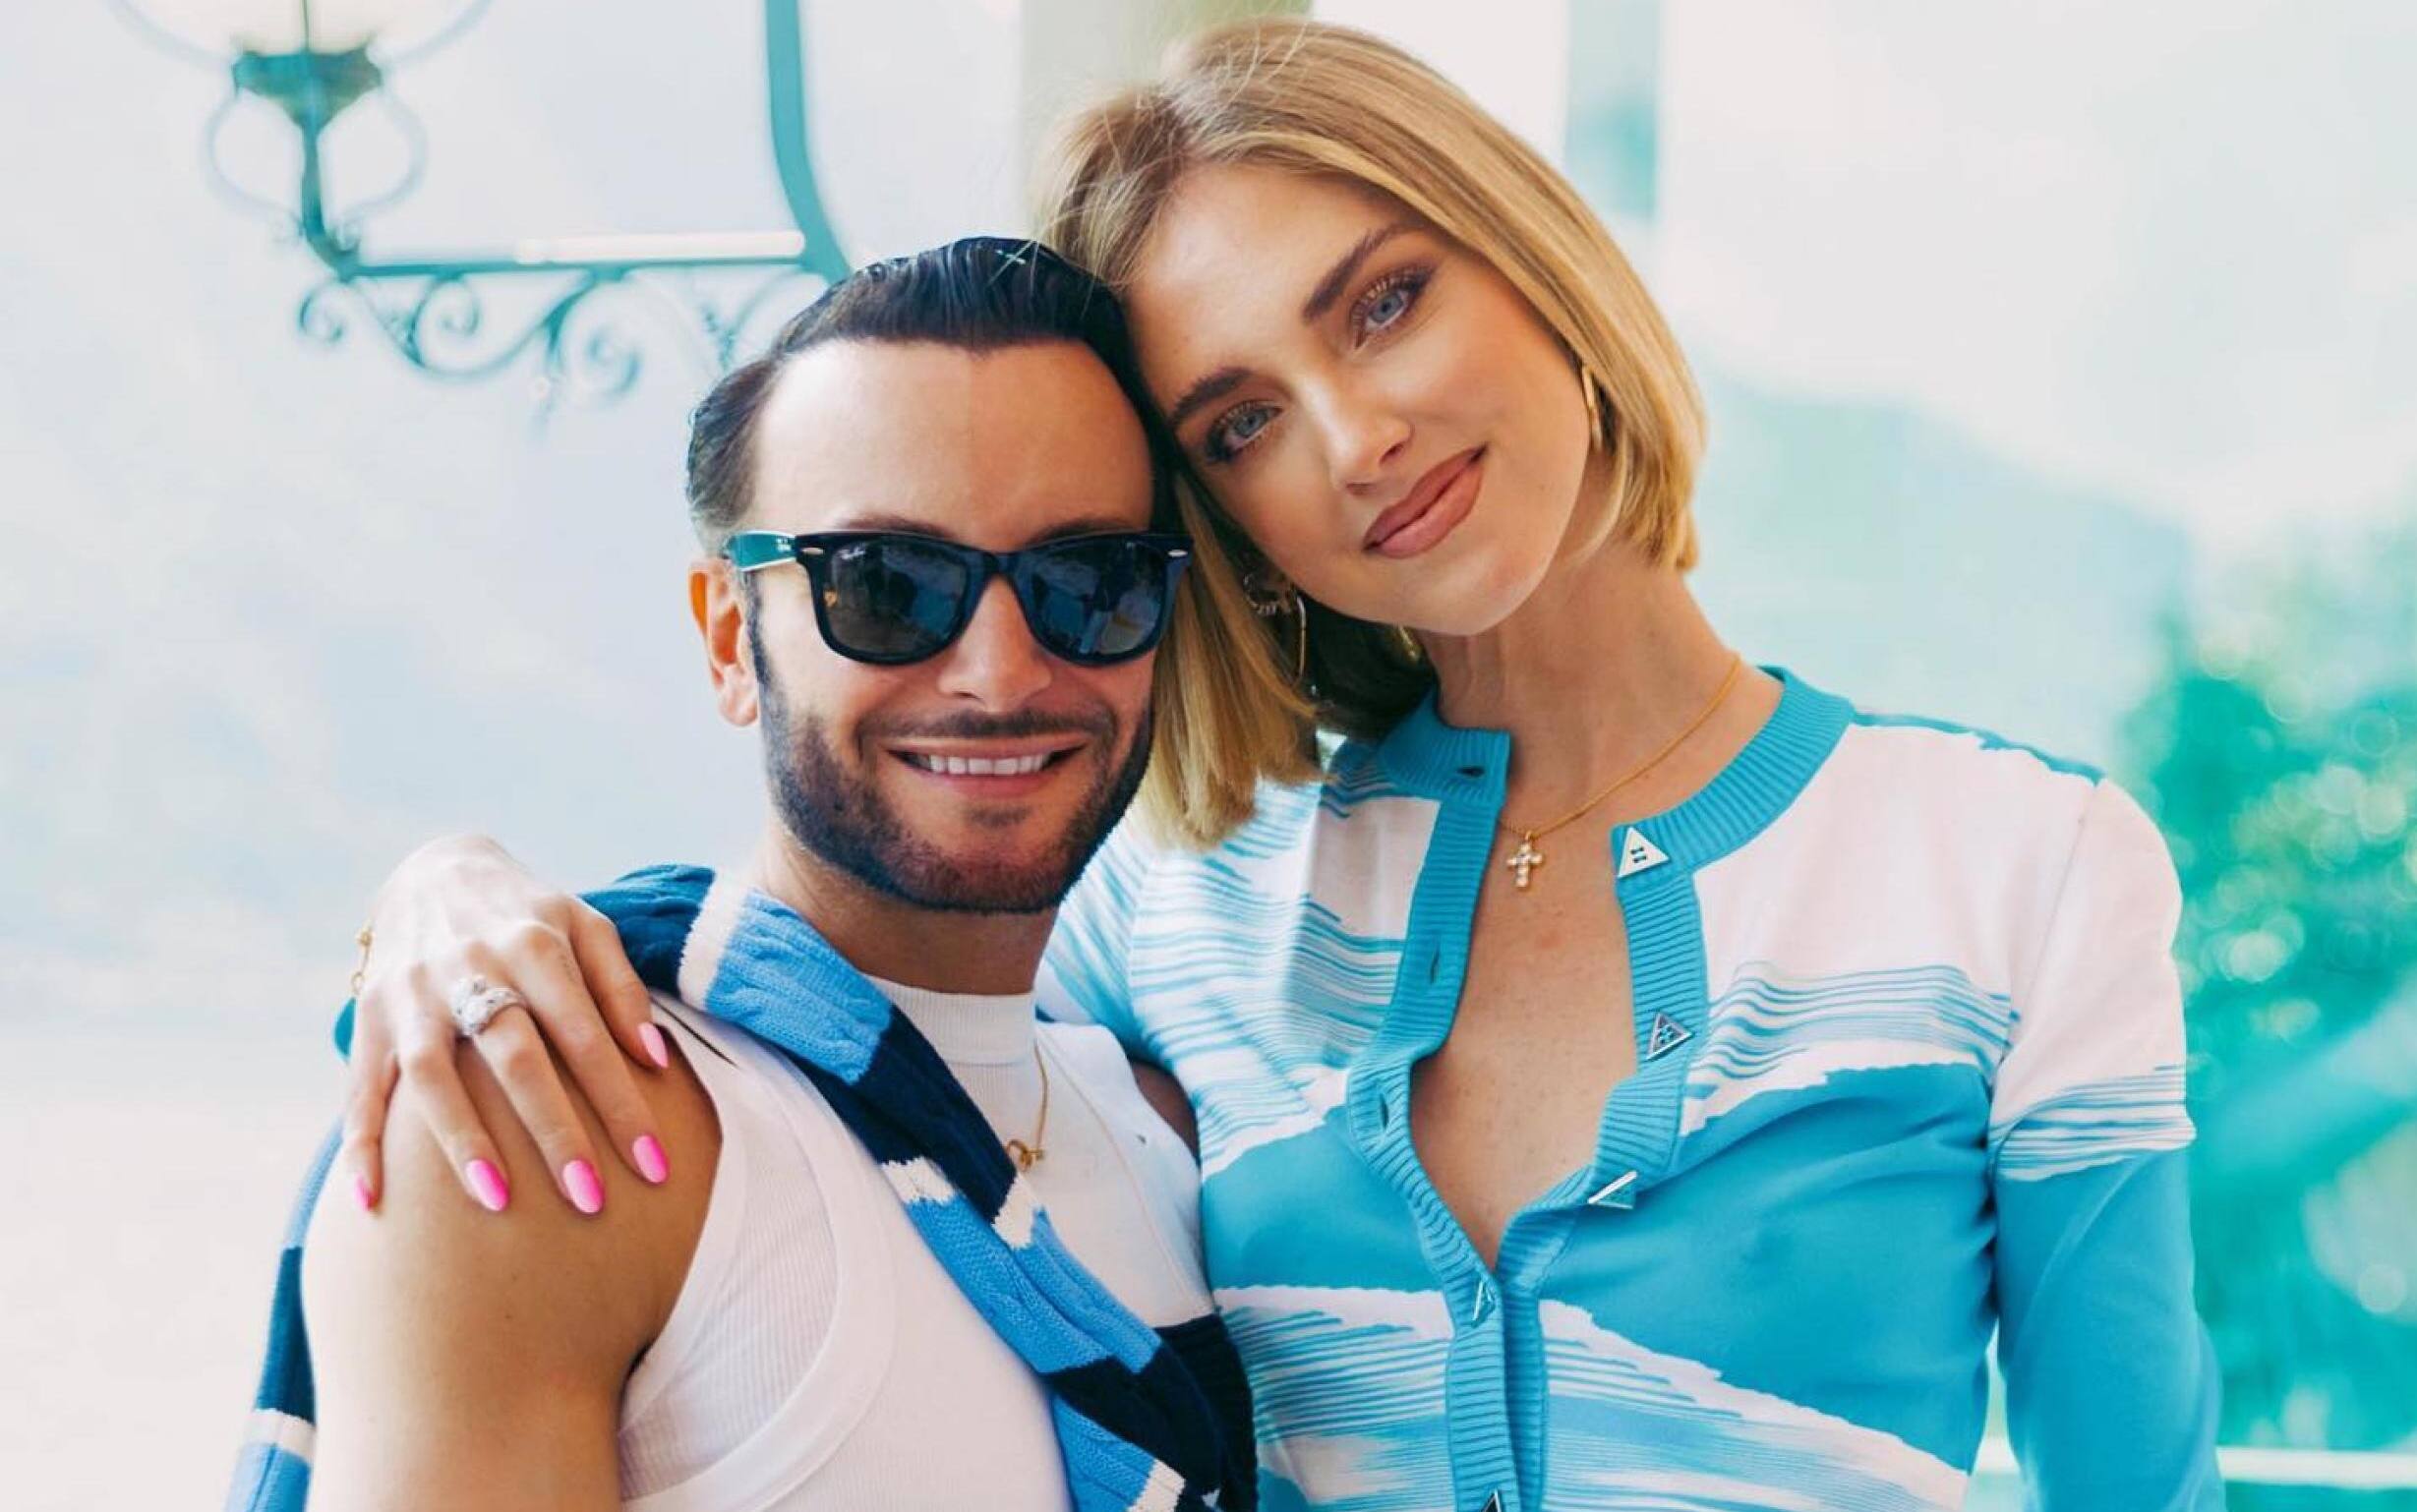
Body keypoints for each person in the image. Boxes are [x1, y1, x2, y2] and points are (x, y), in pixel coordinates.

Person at [313, 20, 2224, 1512]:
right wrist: (444, 893)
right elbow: (842, 1032)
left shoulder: (2023, 868)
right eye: (1237, 423)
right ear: (1213, 525)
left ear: (1529, 262)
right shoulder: (1167, 911)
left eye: (1381, 300)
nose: (1354, 435)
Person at [229, 239, 1256, 1512]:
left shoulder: (1171, 1124)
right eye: (886, 586)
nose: (999, 673)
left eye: (1086, 581)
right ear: (730, 636)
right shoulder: (554, 1124)